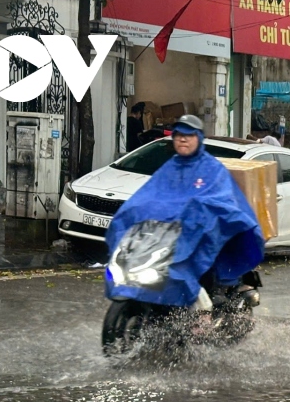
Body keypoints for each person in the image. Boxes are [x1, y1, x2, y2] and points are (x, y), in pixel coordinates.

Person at [106, 114, 265, 306]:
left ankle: (205, 311)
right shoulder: (169, 168)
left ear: (198, 138)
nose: (182, 139)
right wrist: (128, 214)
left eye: (188, 135)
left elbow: (221, 201)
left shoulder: (211, 168)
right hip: (170, 233)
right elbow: (148, 197)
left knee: (190, 263)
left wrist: (196, 211)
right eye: (178, 134)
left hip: (202, 233)